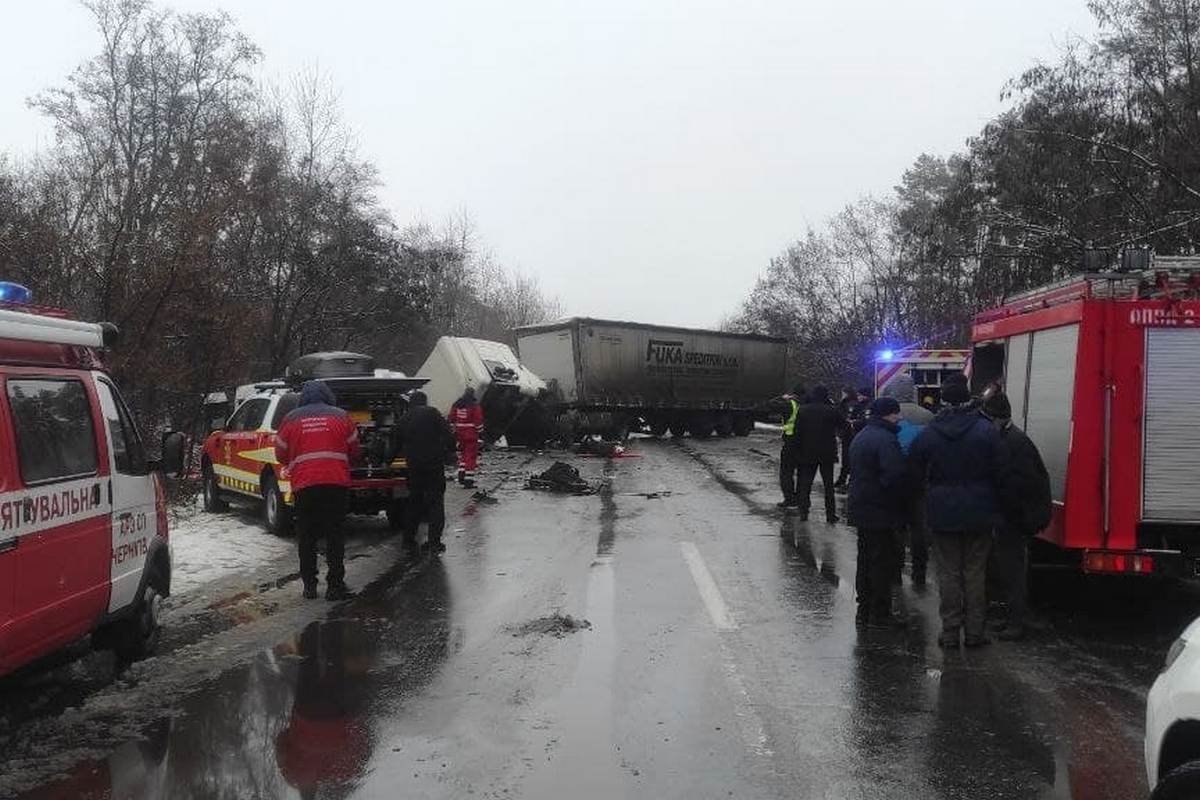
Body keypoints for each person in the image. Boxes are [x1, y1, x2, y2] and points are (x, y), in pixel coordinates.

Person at [909, 374, 1007, 648]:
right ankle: (975, 632)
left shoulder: (931, 432)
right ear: (967, 396)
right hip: (980, 511)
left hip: (943, 511)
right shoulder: (986, 430)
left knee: (948, 572)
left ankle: (950, 631)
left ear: (942, 399)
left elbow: (914, 471)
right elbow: (1002, 473)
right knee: (975, 572)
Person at [274, 380, 361, 600]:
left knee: (306, 535)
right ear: (327, 396)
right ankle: (335, 585)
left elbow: (280, 454)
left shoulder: (291, 419)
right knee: (335, 534)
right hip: (335, 483)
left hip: (305, 485)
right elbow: (354, 449)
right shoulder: (341, 416)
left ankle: (309, 586)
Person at [982, 391, 1052, 641]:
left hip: (1015, 519)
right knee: (1007, 569)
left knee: (1013, 571)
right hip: (1013, 516)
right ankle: (1011, 618)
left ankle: (1016, 622)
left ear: (996, 417)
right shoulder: (1013, 438)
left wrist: (1011, 515)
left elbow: (1021, 485)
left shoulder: (1013, 443)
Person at [847, 397, 909, 626]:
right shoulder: (886, 439)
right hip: (879, 508)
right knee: (882, 561)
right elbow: (894, 475)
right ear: (887, 415)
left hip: (862, 505)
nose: (900, 417)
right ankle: (880, 612)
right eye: (896, 413)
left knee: (865, 558)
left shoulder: (863, 435)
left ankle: (863, 608)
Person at [881, 374, 935, 587]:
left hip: (895, 481)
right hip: (920, 481)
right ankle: (919, 571)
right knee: (919, 527)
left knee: (897, 526)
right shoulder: (927, 416)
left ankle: (895, 570)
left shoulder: (890, 415)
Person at [396, 391, 457, 556]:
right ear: (425, 401)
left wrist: (387, 460)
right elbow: (449, 435)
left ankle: (408, 540)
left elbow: (395, 441)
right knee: (436, 503)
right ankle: (434, 543)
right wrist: (451, 451)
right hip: (434, 465)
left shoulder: (405, 418)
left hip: (414, 467)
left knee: (414, 502)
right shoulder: (433, 414)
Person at [793, 385, 844, 522]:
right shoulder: (832, 411)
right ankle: (830, 514)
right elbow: (843, 426)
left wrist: (797, 451)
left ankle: (803, 512)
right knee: (828, 485)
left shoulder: (803, 410)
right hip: (827, 453)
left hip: (807, 452)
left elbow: (797, 433)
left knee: (805, 483)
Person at [777, 384, 806, 509]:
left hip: (790, 441)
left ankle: (789, 499)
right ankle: (800, 498)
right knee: (802, 473)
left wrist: (782, 398)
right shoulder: (808, 404)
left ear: (793, 393)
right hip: (805, 443)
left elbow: (769, 405)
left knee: (786, 473)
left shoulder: (789, 404)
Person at [449, 387, 485, 487]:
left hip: (459, 434)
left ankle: (461, 474)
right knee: (471, 456)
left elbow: (451, 418)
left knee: (463, 455)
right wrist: (481, 433)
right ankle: (468, 480)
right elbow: (478, 421)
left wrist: (454, 431)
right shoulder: (474, 406)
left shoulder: (457, 404)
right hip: (471, 434)